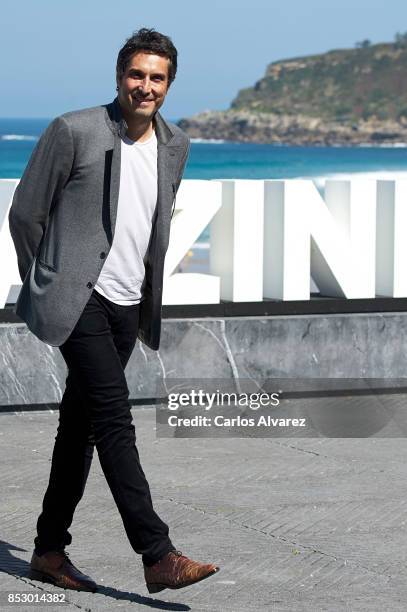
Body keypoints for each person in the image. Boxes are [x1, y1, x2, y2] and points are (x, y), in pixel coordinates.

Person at [8, 27, 219, 594]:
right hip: (79, 301)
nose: (144, 86)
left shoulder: (175, 145)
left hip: (129, 304)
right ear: (119, 76)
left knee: (79, 429)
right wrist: (47, 282)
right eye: (136, 74)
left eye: (157, 77)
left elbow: (152, 225)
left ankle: (49, 551)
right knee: (115, 420)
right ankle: (157, 553)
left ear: (169, 85)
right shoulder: (72, 130)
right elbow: (26, 213)